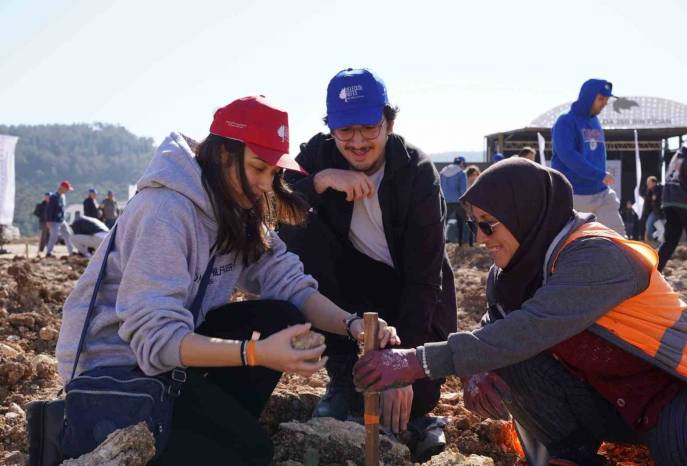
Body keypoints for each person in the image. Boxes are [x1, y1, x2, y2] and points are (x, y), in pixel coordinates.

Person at [56, 96, 398, 466]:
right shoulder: (165, 211)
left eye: (273, 172)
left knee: (278, 316)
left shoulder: (238, 208)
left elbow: (292, 286)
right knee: (251, 453)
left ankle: (216, 427)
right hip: (115, 375)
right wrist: (257, 354)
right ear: (223, 155)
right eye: (257, 168)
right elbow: (155, 340)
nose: (266, 185)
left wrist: (352, 326)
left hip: (171, 365)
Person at [354, 157, 687, 466]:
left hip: (670, 395)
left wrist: (415, 362)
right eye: (474, 224)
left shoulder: (596, 254)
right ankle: (572, 454)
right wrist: (477, 370)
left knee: (682, 449)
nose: (480, 237)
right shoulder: (507, 275)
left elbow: (530, 328)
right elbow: (496, 331)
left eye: (488, 223)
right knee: (504, 353)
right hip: (608, 403)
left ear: (525, 214)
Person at [279, 68, 456, 460]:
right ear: (331, 129)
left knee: (416, 397)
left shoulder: (416, 171)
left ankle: (419, 419)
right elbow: (276, 208)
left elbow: (425, 280)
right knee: (300, 234)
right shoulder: (317, 156)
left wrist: (403, 364)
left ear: (389, 123)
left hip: (411, 294)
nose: (358, 142)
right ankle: (343, 375)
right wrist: (322, 180)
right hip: (350, 294)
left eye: (369, 128)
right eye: (345, 131)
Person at [551, 79, 626, 236]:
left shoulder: (595, 121)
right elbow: (568, 156)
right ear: (588, 97)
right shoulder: (565, 122)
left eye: (606, 99)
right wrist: (599, 175)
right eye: (601, 99)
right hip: (572, 196)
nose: (605, 103)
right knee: (565, 245)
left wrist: (600, 178)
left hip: (600, 194)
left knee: (619, 240)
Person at [658, 128, 687, 277]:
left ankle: (655, 269)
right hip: (686, 203)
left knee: (670, 240)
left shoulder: (677, 155)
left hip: (669, 202)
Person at [440, 156, 468, 245]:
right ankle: (461, 242)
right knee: (461, 222)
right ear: (462, 163)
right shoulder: (461, 173)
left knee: (443, 222)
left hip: (445, 200)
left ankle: (442, 241)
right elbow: (463, 190)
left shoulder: (443, 172)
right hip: (458, 201)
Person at [45, 180, 75, 257]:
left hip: (61, 220)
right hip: (54, 221)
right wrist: (49, 221)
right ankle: (48, 252)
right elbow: (49, 210)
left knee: (68, 234)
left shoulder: (63, 197)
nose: (67, 191)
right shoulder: (53, 197)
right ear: (63, 188)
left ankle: (71, 252)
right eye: (67, 189)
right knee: (54, 237)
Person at [642, 176, 663, 243]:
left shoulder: (658, 189)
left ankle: (651, 240)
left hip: (657, 212)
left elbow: (656, 200)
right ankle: (654, 240)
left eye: (649, 182)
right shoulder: (650, 191)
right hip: (655, 212)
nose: (647, 184)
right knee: (661, 229)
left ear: (654, 183)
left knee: (649, 225)